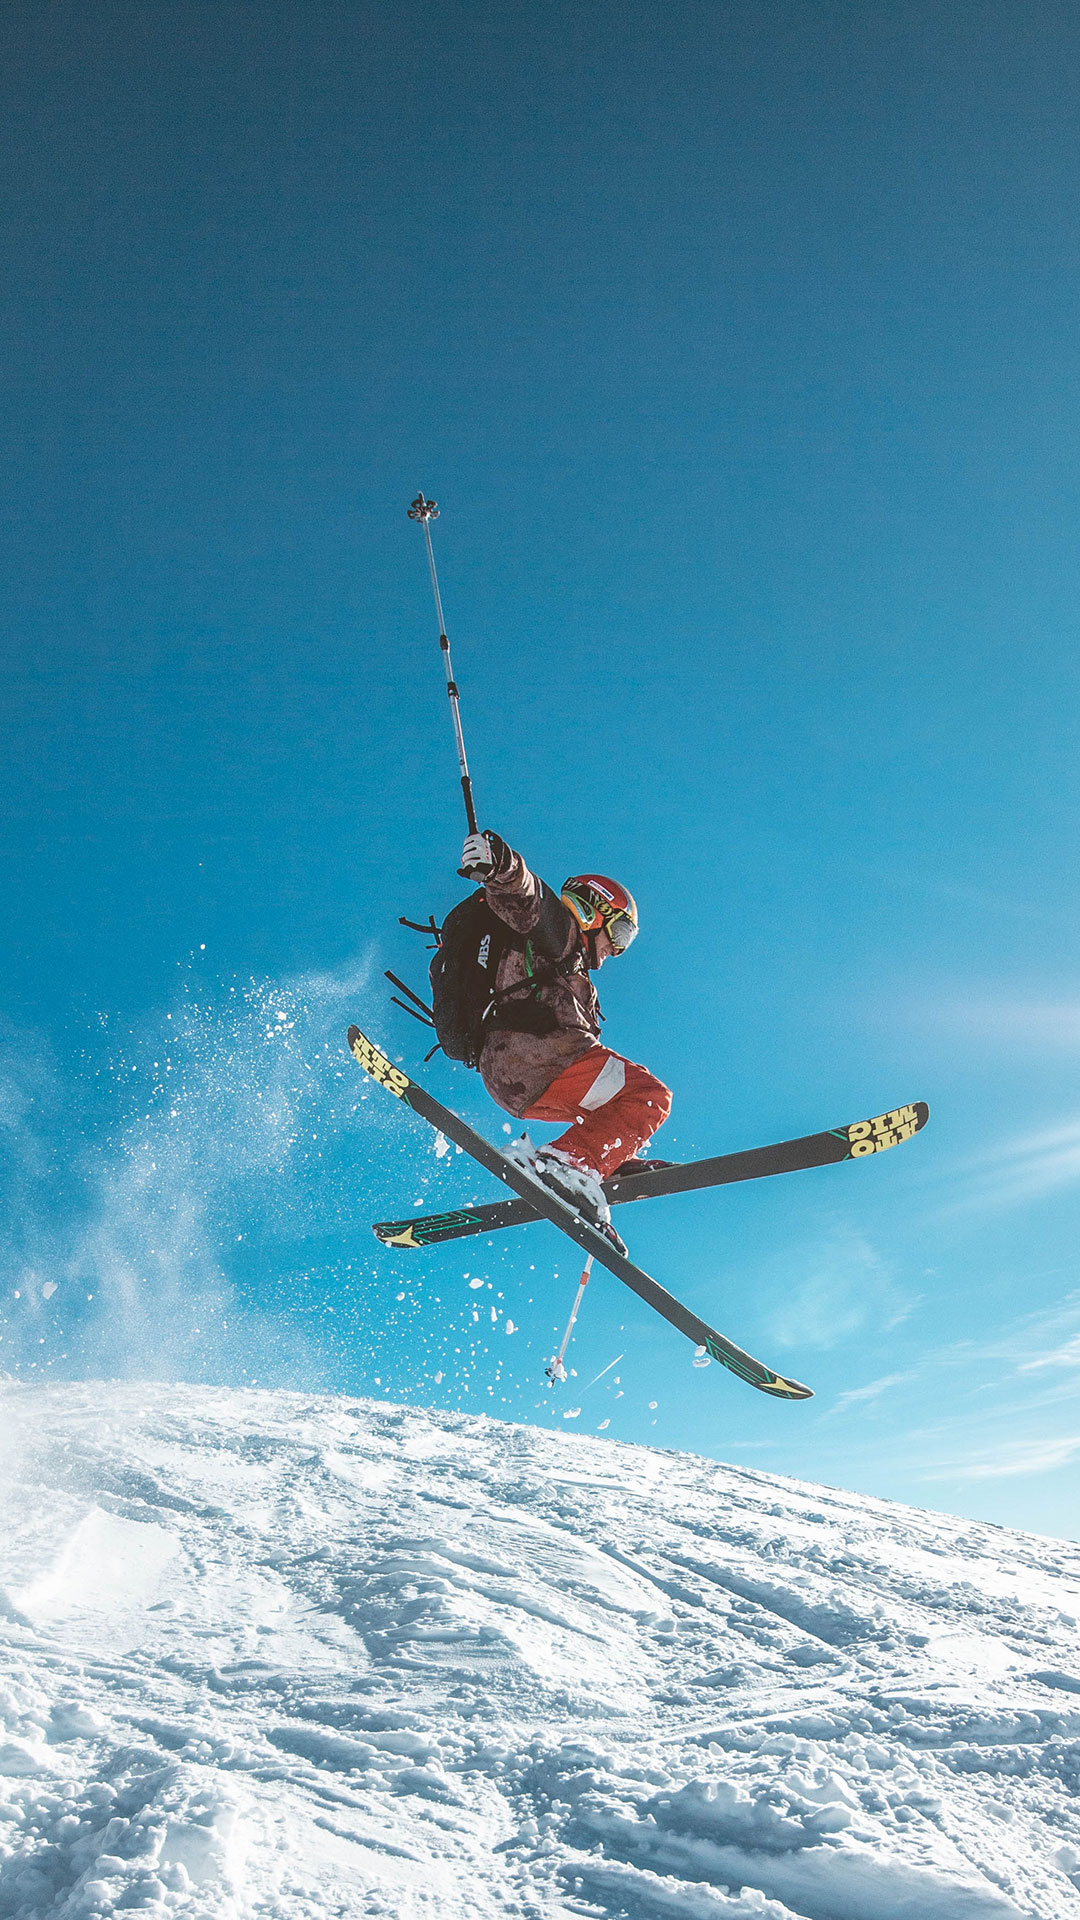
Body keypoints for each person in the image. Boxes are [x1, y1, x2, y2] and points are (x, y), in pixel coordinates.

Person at [461, 830, 672, 1245]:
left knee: (615, 1101)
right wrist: (499, 861)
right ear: (594, 910)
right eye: (621, 934)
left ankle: (599, 1158)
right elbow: (526, 895)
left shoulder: (573, 969)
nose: (617, 950)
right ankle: (571, 1164)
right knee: (649, 1095)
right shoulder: (559, 930)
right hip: (540, 1057)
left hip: (515, 1077)